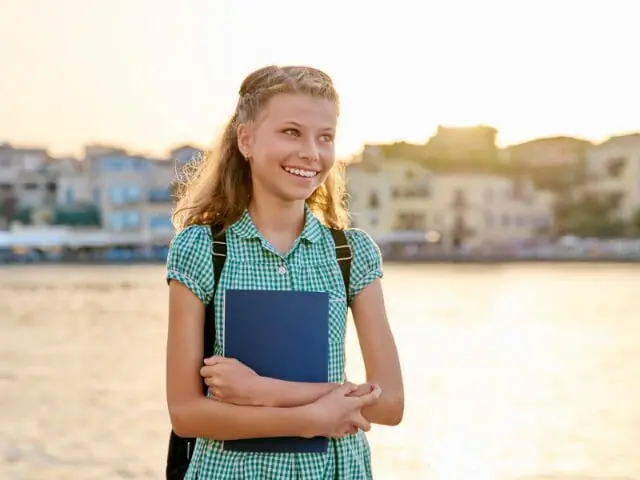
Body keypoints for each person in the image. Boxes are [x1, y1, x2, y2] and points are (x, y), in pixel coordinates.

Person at [165, 65, 404, 479]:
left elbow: (390, 404)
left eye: (325, 137)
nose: (311, 152)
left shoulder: (353, 254)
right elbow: (186, 413)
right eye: (291, 132)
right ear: (247, 140)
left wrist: (261, 392)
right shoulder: (201, 250)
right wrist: (311, 418)